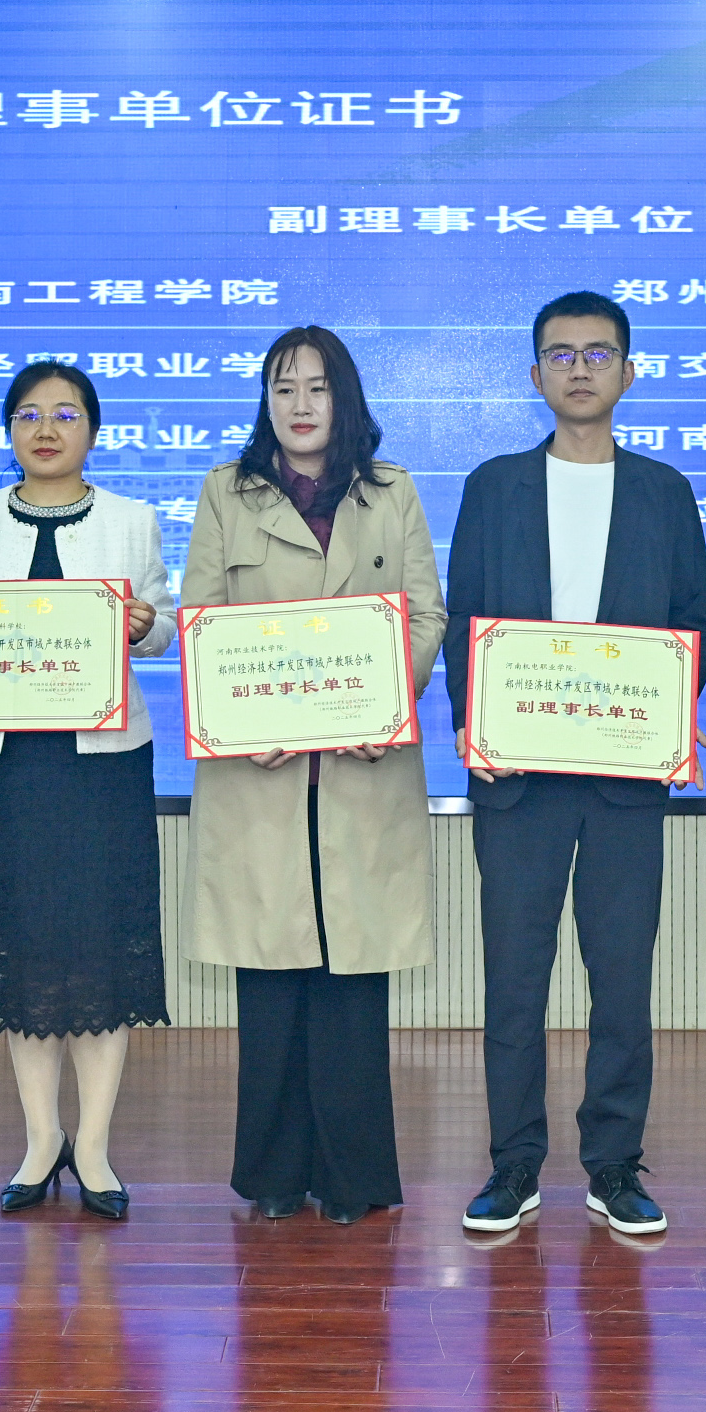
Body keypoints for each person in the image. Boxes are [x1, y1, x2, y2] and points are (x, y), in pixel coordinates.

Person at [443, 290, 706, 1239]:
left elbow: (692, 621)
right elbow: (465, 620)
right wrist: (473, 727)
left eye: (598, 353)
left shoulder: (664, 491)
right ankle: (513, 1163)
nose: (579, 368)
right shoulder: (494, 485)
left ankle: (614, 1164)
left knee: (621, 983)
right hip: (516, 780)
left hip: (623, 780)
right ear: (535, 375)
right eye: (560, 354)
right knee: (514, 982)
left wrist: (664, 716)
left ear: (628, 373)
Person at [181, 325, 446, 1226]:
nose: (299, 405)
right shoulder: (226, 490)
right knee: (270, 978)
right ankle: (272, 1173)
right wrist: (239, 716)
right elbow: (202, 617)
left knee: (350, 979)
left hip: (362, 771)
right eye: (283, 387)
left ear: (345, 398)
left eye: (317, 387)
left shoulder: (391, 491)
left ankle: (352, 1175)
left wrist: (388, 703)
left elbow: (425, 615)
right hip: (260, 774)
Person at [0, 361, 177, 1223]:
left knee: (101, 950)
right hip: (7, 763)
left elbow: (163, 624)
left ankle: (93, 1146)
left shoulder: (133, 518)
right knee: (21, 948)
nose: (46, 429)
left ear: (93, 430)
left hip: (104, 764)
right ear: (8, 429)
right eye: (28, 414)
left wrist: (147, 624)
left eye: (65, 414)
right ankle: (39, 1139)